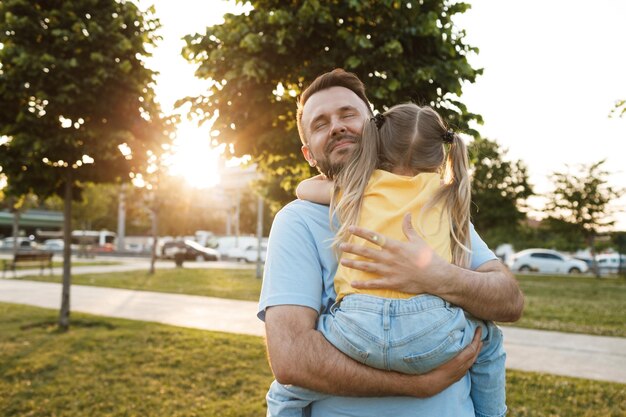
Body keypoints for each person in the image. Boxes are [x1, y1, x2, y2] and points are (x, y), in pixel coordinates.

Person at [258, 69, 524, 417]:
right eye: (320, 123)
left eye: (348, 114)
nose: (336, 126)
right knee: (486, 338)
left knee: (284, 398)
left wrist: (435, 276)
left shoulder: (434, 207)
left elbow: (509, 301)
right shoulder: (298, 221)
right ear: (309, 155)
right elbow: (292, 359)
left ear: (375, 129)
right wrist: (417, 384)